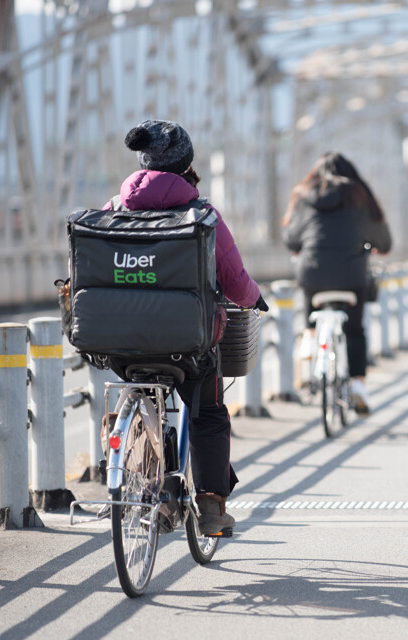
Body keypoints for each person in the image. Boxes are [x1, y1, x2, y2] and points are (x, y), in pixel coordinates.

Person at [116, 119, 266, 535]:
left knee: (144, 394)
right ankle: (212, 507)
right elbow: (235, 282)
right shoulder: (202, 216)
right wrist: (255, 299)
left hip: (121, 343)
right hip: (187, 344)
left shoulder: (115, 209)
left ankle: (150, 484)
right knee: (209, 412)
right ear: (187, 164)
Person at [282, 151, 392, 416]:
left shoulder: (303, 194)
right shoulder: (361, 196)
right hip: (352, 276)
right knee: (354, 330)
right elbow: (385, 244)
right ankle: (358, 385)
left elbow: (291, 240)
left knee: (311, 283)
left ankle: (309, 336)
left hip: (312, 273)